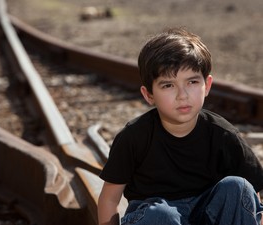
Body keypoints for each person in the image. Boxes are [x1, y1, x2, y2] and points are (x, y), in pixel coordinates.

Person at [97, 27, 263, 225]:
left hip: (207, 215)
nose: (182, 95)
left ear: (207, 86)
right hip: (156, 217)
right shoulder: (134, 137)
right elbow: (109, 199)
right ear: (148, 94)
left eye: (192, 82)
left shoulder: (222, 134)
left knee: (238, 186)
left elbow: (255, 193)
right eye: (168, 85)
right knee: (162, 215)